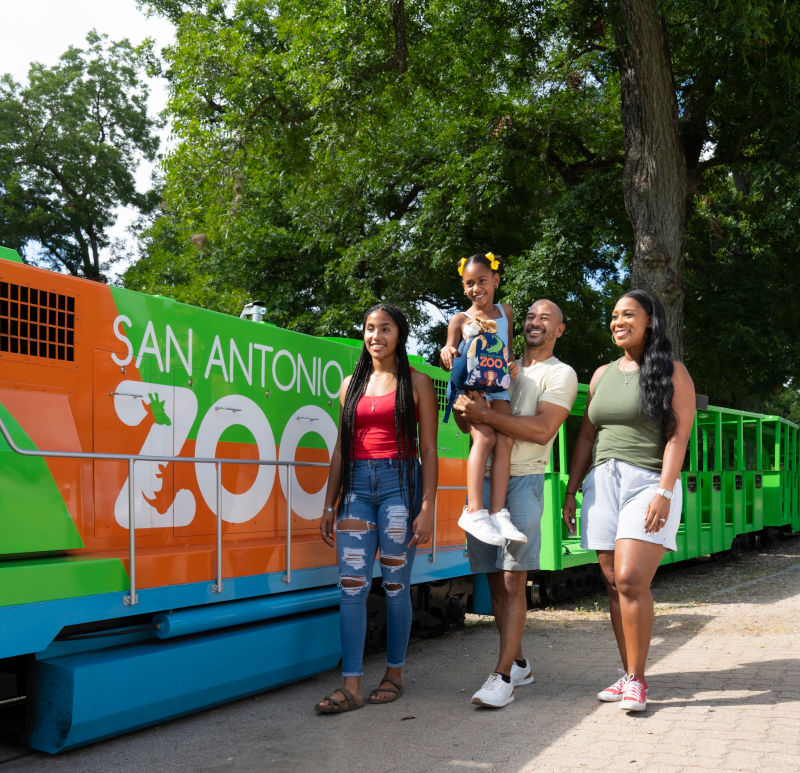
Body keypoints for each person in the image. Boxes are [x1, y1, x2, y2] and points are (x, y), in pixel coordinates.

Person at [561, 289, 695, 712]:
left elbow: (678, 436)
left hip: (648, 483)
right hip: (601, 483)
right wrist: (571, 490)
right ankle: (627, 673)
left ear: (650, 320)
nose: (619, 322)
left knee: (632, 581)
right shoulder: (601, 374)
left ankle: (637, 680)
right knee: (613, 584)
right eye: (614, 315)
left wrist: (664, 491)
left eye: (628, 315)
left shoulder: (673, 372)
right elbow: (585, 436)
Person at [315, 304, 438, 713]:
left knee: (395, 585)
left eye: (385, 328)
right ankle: (350, 685)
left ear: (399, 335)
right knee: (351, 587)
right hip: (356, 489)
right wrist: (329, 503)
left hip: (399, 486)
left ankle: (394, 673)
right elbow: (339, 449)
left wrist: (427, 506)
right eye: (369, 328)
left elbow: (430, 451)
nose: (376, 336)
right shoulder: (349, 384)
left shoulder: (417, 383)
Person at [453, 299, 577, 707]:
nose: (534, 322)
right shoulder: (497, 359)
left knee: (513, 579)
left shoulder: (561, 374)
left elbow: (542, 431)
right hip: (483, 484)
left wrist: (485, 417)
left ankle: (502, 676)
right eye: (529, 316)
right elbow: (466, 422)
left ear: (559, 329)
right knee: (494, 582)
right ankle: (520, 662)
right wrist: (464, 402)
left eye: (545, 318)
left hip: (524, 482)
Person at [440, 252, 526, 547]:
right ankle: (474, 510)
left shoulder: (506, 312)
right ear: (463, 287)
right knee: (485, 438)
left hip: (498, 384)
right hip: (472, 386)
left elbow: (508, 351)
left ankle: (498, 512)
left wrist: (513, 365)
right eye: (469, 284)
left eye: (482, 281)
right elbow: (448, 353)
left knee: (506, 439)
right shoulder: (460, 319)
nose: (476, 288)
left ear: (496, 280)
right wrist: (447, 353)